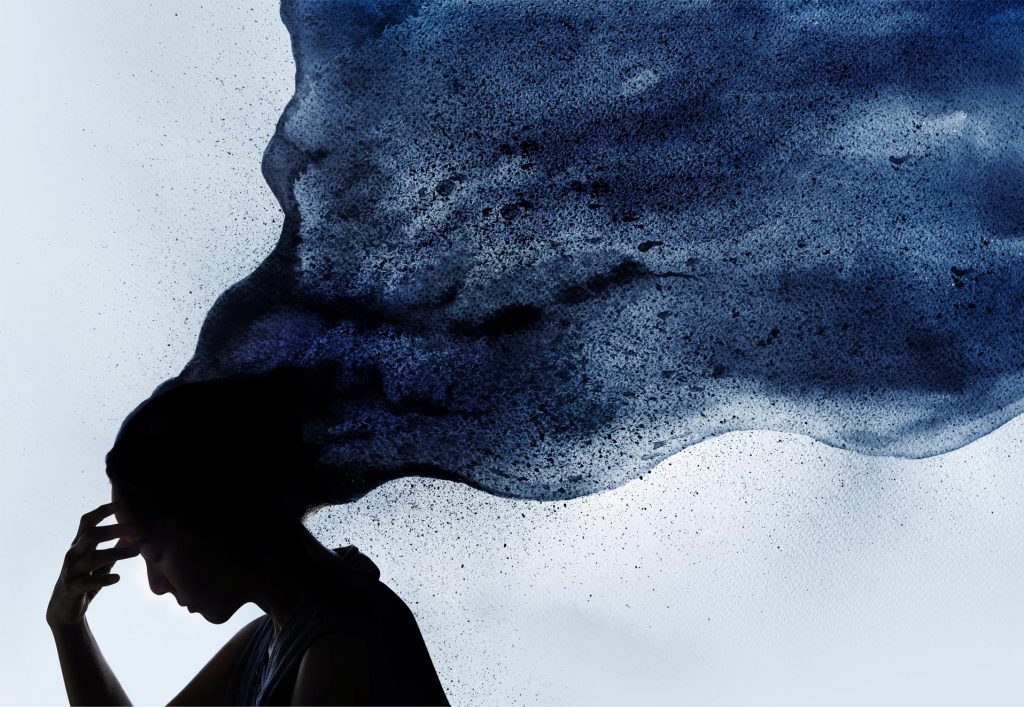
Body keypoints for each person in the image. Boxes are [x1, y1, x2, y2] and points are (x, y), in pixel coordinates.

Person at [47, 367, 450, 705]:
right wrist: (68, 626)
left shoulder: (338, 652)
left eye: (154, 552)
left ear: (214, 513)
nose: (156, 585)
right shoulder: (273, 640)